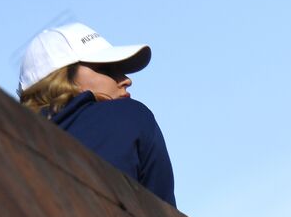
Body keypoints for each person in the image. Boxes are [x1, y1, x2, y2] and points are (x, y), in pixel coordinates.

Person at [17, 22, 176, 207]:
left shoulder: (13, 149)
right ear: (62, 79)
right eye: (106, 69)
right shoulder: (129, 116)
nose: (126, 80)